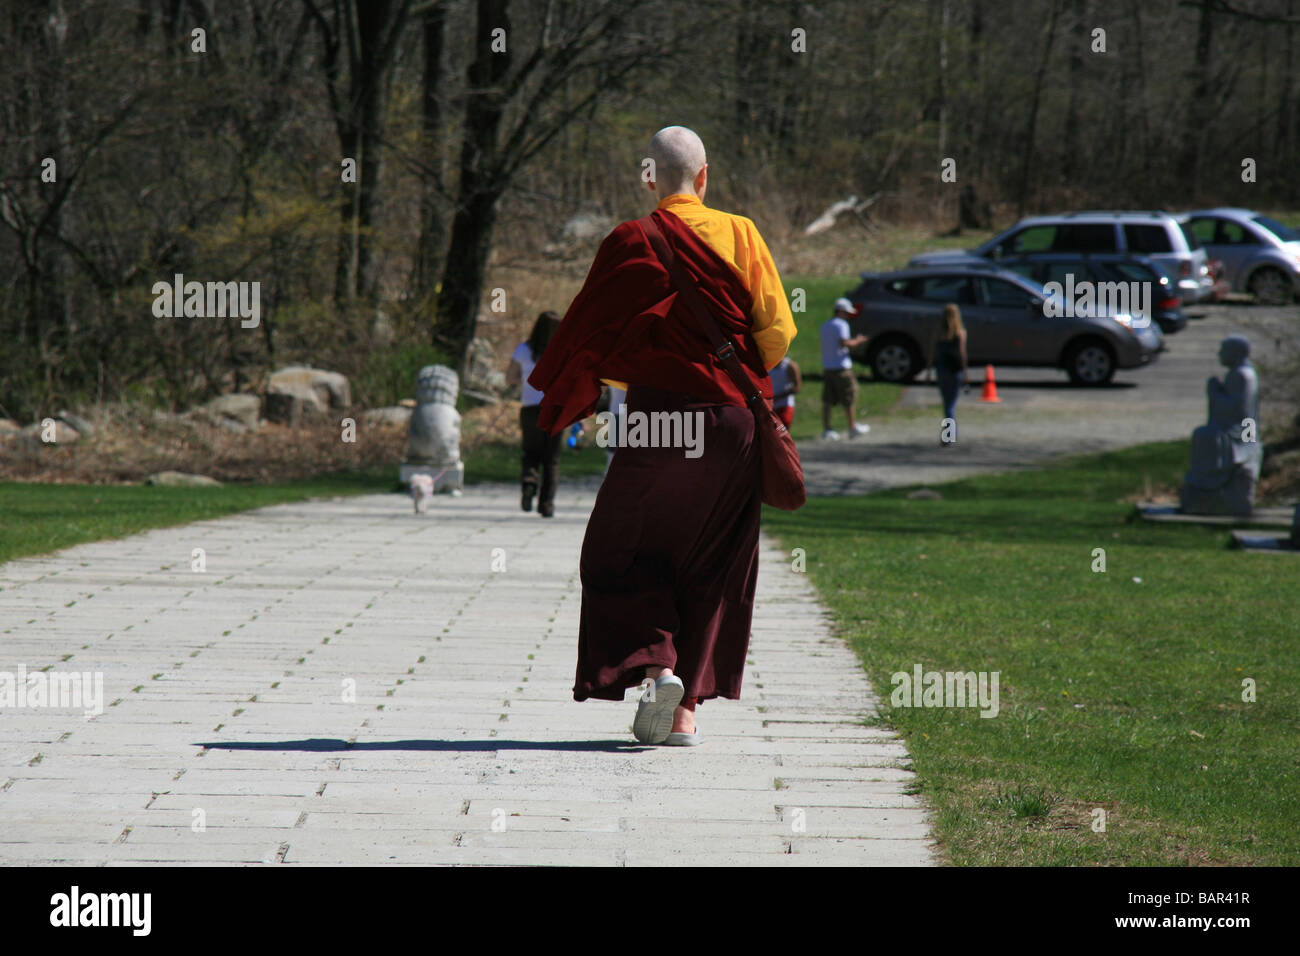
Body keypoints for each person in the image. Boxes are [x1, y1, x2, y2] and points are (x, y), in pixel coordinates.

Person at [527, 125, 796, 746]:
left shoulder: (629, 242)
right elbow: (776, 335)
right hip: (731, 421)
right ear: (705, 178)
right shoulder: (742, 233)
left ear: (649, 178)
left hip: (657, 419)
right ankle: (684, 716)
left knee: (618, 549)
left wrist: (621, 377)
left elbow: (591, 337)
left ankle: (659, 664)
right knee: (713, 561)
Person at [506, 311, 564, 517]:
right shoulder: (563, 351)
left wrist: (523, 379)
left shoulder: (523, 350)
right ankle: (546, 504)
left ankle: (529, 481)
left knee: (531, 452)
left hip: (530, 408)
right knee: (551, 459)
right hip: (555, 409)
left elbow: (510, 378)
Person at [820, 298, 869, 440]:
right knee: (849, 397)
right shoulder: (841, 325)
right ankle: (852, 427)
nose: (848, 316)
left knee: (828, 400)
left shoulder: (825, 326)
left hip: (828, 367)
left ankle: (827, 428)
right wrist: (858, 341)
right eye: (846, 313)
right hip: (842, 368)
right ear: (840, 311)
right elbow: (845, 343)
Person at [930, 303, 968, 446]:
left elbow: (932, 353)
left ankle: (949, 433)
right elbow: (962, 354)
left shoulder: (938, 332)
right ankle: (950, 434)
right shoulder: (960, 333)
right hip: (955, 371)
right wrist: (965, 373)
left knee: (947, 404)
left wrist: (928, 371)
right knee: (951, 405)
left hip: (942, 370)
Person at [769, 355, 801, 428]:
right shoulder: (767, 365)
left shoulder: (789, 366)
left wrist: (779, 397)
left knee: (782, 432)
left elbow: (797, 387)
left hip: (785, 405)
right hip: (770, 406)